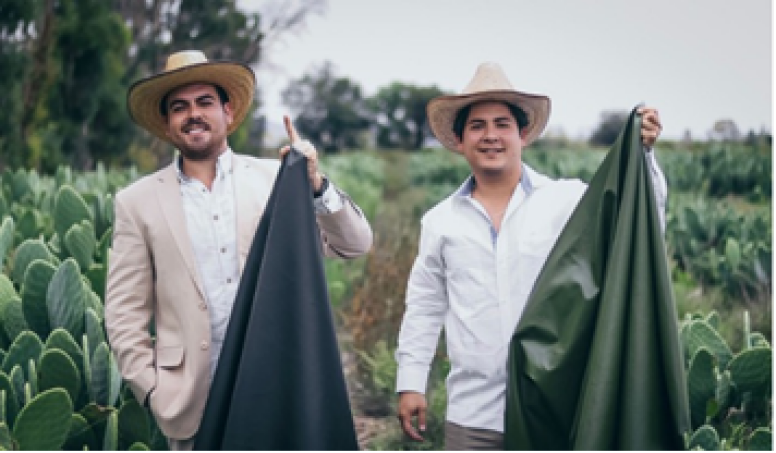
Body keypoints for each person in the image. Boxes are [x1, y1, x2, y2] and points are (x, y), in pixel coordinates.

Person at [105, 50, 373, 451]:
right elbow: (124, 312)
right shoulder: (136, 202)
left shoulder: (274, 180)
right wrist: (154, 389)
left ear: (228, 112)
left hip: (277, 390)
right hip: (192, 403)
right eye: (179, 107)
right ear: (166, 123)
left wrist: (315, 184)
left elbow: (354, 244)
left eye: (204, 102)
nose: (193, 114)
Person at [394, 62, 668, 451]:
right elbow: (424, 306)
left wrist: (643, 157)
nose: (491, 136)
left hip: (555, 406)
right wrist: (410, 382)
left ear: (523, 134)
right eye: (477, 126)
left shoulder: (567, 201)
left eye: (502, 124)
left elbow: (639, 227)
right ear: (460, 140)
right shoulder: (440, 222)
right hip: (474, 414)